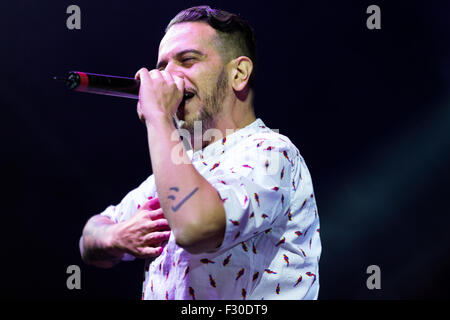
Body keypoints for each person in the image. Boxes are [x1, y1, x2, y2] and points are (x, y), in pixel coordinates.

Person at [79, 5, 321, 300]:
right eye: (161, 67)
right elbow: (90, 238)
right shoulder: (182, 166)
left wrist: (158, 116)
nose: (167, 78)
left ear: (239, 73)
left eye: (187, 60)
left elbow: (195, 227)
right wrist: (116, 237)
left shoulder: (271, 152)